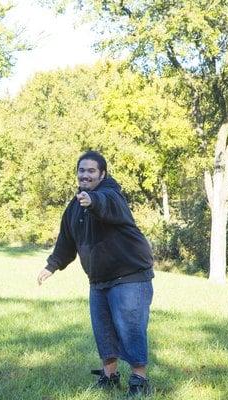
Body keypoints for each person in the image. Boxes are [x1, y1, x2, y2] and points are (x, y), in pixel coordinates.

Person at [37, 150, 154, 397]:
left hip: (129, 275)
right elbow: (66, 241)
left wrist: (94, 201)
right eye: (82, 170)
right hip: (99, 279)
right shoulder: (74, 207)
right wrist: (51, 265)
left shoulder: (112, 195)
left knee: (130, 329)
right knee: (103, 331)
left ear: (102, 174)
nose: (85, 175)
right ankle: (110, 376)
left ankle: (139, 381)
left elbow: (108, 204)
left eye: (91, 171)